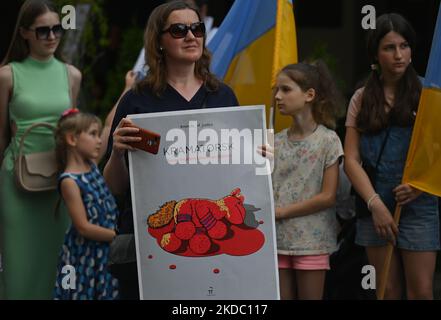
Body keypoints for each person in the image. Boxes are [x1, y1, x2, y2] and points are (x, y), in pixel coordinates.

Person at [103, 0, 238, 299]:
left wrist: (257, 159)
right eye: (179, 30)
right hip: (148, 239)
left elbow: (237, 176)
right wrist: (115, 154)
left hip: (209, 236)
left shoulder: (223, 96)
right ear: (159, 42)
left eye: (197, 28)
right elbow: (114, 185)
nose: (191, 36)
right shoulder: (137, 100)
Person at [344, 13, 439, 299]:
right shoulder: (361, 98)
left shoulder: (429, 94)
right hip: (374, 203)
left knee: (421, 291)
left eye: (404, 46)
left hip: (419, 204)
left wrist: (421, 184)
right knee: (385, 288)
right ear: (375, 53)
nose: (399, 55)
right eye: (389, 48)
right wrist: (374, 204)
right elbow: (350, 159)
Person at [0, 0, 81, 299]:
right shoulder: (7, 75)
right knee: (18, 270)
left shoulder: (72, 75)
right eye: (42, 30)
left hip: (57, 184)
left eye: (56, 29)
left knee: (55, 269)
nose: (51, 36)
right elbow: (1, 135)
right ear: (24, 33)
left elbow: (70, 132)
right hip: (15, 182)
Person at [268, 61, 344, 300]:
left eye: (286, 89)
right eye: (277, 90)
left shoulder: (328, 141)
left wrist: (279, 212)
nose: (278, 96)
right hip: (277, 240)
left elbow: (327, 196)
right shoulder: (274, 142)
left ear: (309, 94)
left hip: (312, 241)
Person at [53, 110, 119, 300]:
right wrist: (120, 237)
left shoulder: (91, 165)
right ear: (72, 139)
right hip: (86, 255)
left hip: (105, 249)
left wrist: (128, 88)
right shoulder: (69, 181)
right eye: (92, 134)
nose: (99, 140)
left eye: (99, 135)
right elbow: (83, 227)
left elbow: (109, 127)